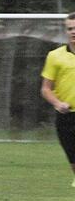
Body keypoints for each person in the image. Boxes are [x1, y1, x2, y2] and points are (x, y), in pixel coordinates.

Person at [41, 12, 75, 188]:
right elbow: (46, 89)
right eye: (70, 28)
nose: (73, 32)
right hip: (66, 115)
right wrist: (58, 103)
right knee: (72, 155)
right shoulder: (55, 56)